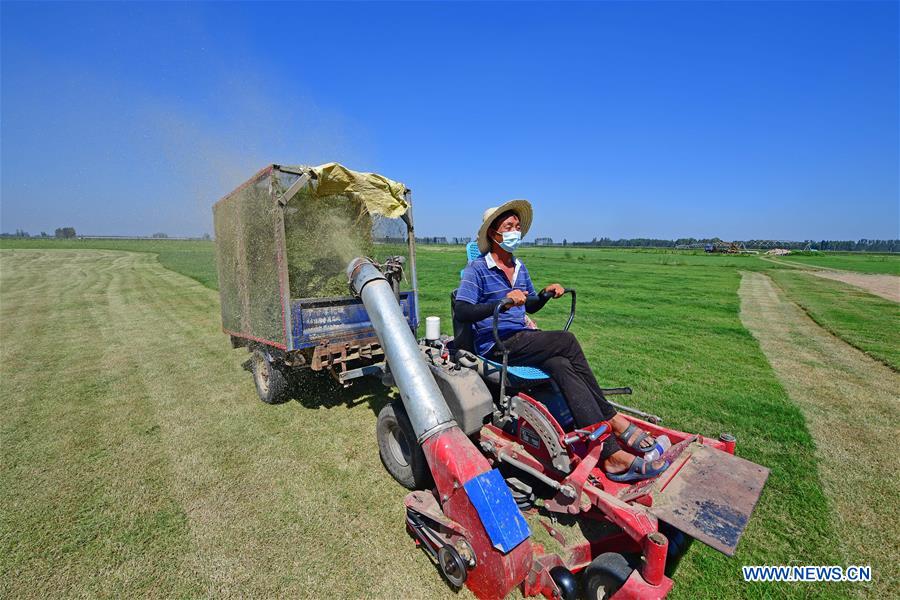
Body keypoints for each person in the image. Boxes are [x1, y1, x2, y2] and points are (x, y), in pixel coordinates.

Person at [454, 200, 668, 482]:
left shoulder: (520, 267)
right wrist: (502, 304)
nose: (514, 232)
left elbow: (528, 307)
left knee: (560, 365)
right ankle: (612, 418)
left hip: (522, 338)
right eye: (508, 227)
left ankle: (611, 456)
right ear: (493, 233)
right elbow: (462, 309)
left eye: (517, 227)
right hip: (496, 343)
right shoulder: (478, 270)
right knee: (566, 342)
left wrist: (543, 294)